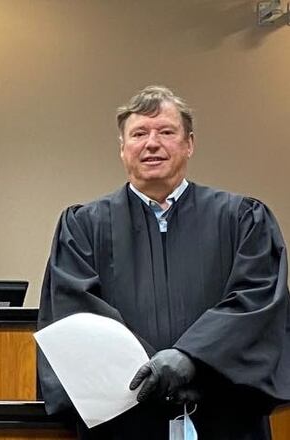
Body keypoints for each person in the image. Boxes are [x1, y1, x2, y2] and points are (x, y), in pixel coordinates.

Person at [37, 85, 290, 439]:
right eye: (139, 134)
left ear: (189, 144)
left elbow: (256, 302)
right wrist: (154, 373)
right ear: (123, 149)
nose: (152, 143)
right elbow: (75, 313)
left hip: (222, 416)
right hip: (125, 419)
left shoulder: (243, 219)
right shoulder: (82, 227)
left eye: (166, 132)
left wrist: (192, 361)